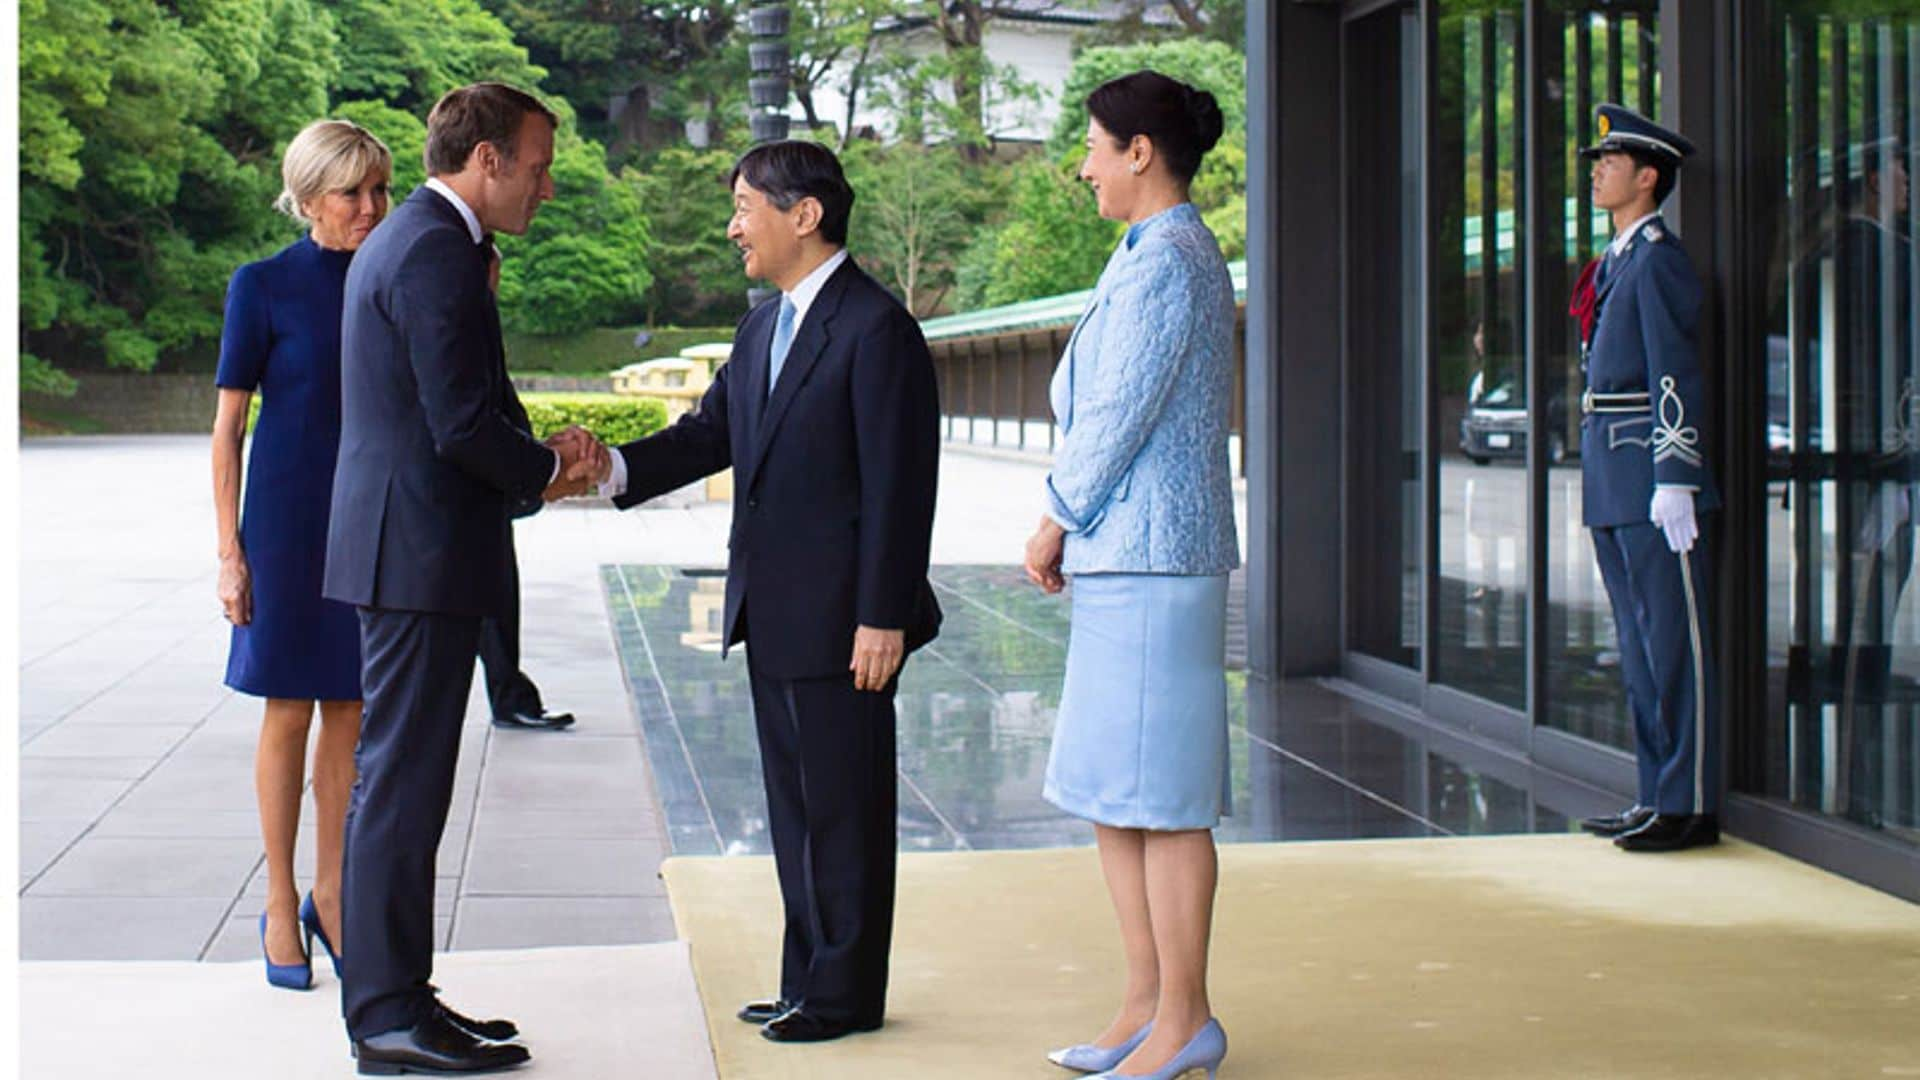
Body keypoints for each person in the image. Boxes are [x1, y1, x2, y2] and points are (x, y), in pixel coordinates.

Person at [580, 139, 942, 1044]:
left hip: (847, 620)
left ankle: (844, 995)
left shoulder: (876, 327)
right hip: (774, 609)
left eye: (746, 206)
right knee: (797, 808)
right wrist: (609, 468)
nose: (734, 225)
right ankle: (806, 980)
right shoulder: (762, 327)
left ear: (805, 214)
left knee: (845, 812)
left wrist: (883, 615)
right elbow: (708, 437)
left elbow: (902, 487)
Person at [323, 82, 604, 1075]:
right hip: (416, 555)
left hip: (412, 550)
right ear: (485, 160)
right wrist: (549, 472)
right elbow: (455, 424)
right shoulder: (435, 248)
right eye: (537, 166)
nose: (548, 188)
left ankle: (401, 997)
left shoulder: (418, 241)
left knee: (404, 786)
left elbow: (461, 398)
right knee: (400, 790)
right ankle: (388, 1018)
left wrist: (532, 457)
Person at [1023, 71, 1239, 1080]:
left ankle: (1184, 1015)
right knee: (1118, 791)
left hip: (1156, 554)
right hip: (1131, 555)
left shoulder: (1173, 257)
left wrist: (1054, 517)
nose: (1085, 164)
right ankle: (1146, 1005)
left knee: (1166, 795)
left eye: (1096, 146)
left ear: (1141, 152)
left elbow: (1118, 414)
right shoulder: (1147, 251)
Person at [212, 119, 391, 992]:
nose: (370, 207)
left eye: (379, 190)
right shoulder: (263, 285)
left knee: (352, 715)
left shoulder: (392, 278)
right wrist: (228, 551)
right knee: (288, 709)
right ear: (310, 195)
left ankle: (334, 895)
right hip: (283, 525)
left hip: (366, 524)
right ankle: (280, 902)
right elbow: (227, 432)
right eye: (352, 192)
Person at [1568, 104, 1722, 852]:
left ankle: (1688, 802)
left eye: (1610, 160)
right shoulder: (1620, 258)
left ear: (1648, 175)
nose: (1597, 170)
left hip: (1649, 473)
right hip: (1612, 465)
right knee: (1635, 642)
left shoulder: (1658, 259)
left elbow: (1676, 369)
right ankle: (1655, 791)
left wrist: (1676, 472)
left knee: (1671, 643)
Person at [481, 240, 576, 733]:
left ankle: (510, 693)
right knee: (489, 602)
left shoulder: (479, 315)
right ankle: (508, 694)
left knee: (497, 600)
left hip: (493, 485)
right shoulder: (457, 314)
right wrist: (544, 471)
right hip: (469, 488)